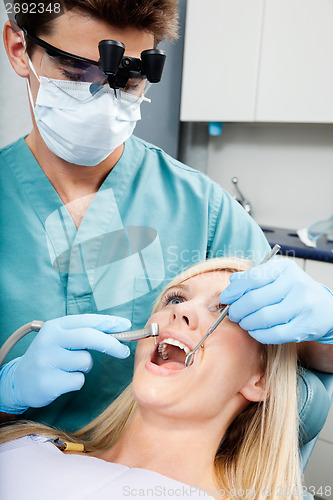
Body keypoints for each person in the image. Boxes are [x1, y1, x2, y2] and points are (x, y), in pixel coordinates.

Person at [0, 0, 332, 431]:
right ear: (18, 48)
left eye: (130, 78)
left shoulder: (203, 210)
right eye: (77, 73)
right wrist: (7, 393)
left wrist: (325, 330)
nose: (104, 97)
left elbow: (287, 366)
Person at [0, 257, 303, 499]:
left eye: (224, 310)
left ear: (260, 381)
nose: (181, 311)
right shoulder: (25, 446)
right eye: (174, 300)